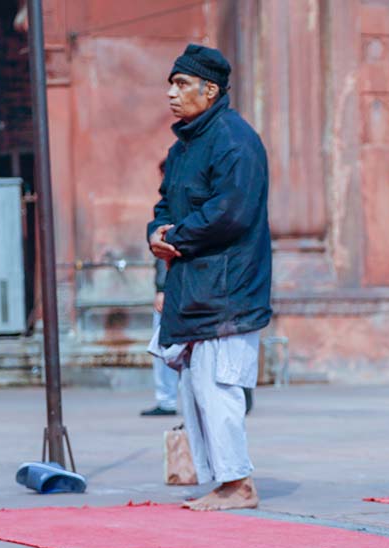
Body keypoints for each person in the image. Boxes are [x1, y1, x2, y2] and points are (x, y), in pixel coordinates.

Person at [147, 44, 270, 511]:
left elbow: (231, 212)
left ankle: (239, 483)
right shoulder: (185, 146)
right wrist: (155, 232)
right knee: (195, 390)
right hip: (193, 284)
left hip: (229, 288)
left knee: (219, 386)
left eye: (181, 84)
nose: (171, 94)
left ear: (210, 89)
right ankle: (221, 480)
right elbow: (164, 203)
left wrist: (176, 236)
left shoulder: (235, 141)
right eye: (171, 84)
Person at [141, 160, 180, 417]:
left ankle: (167, 399)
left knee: (165, 343)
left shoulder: (177, 201)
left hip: (174, 283)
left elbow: (164, 251)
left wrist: (162, 288)